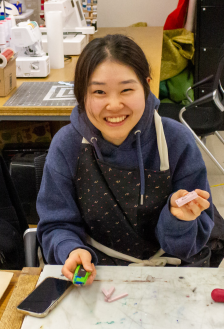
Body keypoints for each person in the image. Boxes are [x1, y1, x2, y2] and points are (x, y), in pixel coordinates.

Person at [37, 34, 214, 285]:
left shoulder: (176, 141)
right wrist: (70, 250)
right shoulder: (67, 145)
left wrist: (179, 220)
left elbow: (189, 246)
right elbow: (56, 224)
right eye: (99, 91)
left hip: (167, 273)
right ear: (81, 94)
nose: (113, 104)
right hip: (95, 275)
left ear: (147, 86)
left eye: (126, 89)